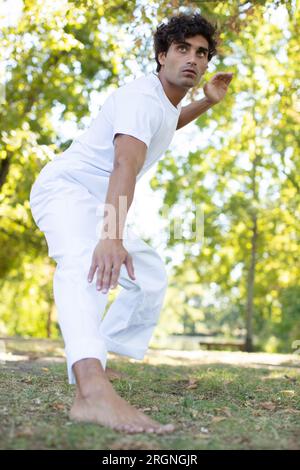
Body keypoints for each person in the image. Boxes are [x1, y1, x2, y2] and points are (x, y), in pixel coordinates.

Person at [29, 12, 233, 434]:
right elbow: (125, 163)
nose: (193, 59)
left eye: (202, 53)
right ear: (162, 55)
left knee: (148, 275)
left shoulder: (161, 103)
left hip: (95, 198)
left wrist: (207, 102)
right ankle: (91, 390)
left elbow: (167, 124)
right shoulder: (142, 99)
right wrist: (110, 236)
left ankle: (98, 356)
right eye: (182, 49)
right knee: (86, 264)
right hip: (66, 190)